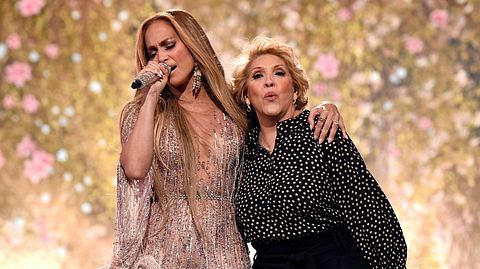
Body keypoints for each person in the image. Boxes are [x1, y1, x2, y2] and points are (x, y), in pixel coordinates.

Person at [108, 10, 346, 269]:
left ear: (192, 44)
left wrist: (325, 107)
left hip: (225, 251)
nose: (161, 57)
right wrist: (152, 95)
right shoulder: (145, 113)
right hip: (165, 251)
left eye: (169, 45)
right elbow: (134, 169)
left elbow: (279, 114)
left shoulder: (234, 112)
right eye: (152, 52)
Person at [232, 36, 408, 269]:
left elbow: (371, 213)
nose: (269, 82)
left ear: (295, 89)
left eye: (279, 73)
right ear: (246, 94)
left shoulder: (322, 130)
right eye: (258, 75)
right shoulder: (241, 153)